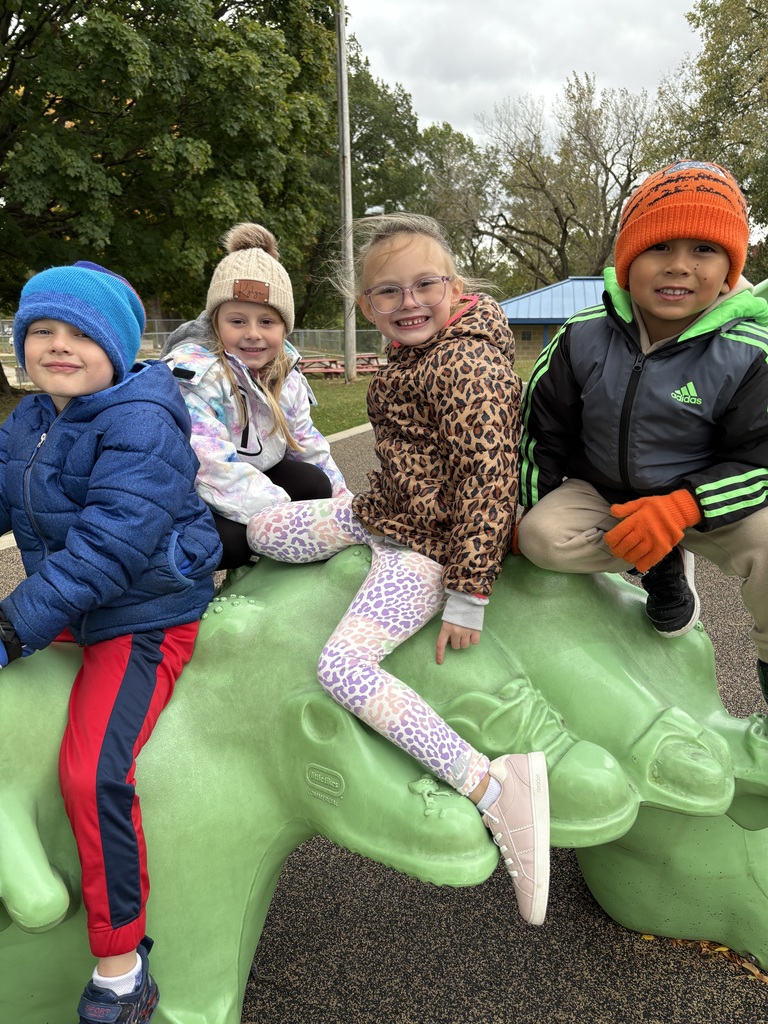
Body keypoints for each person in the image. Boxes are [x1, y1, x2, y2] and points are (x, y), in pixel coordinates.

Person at [247, 213, 550, 925]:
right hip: (386, 513)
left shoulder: (465, 363)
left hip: (430, 546)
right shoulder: (415, 352)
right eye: (388, 292)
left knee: (344, 669)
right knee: (264, 527)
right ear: (365, 306)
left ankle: (490, 785)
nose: (408, 302)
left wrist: (469, 592)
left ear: (454, 284)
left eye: (425, 285)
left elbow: (488, 478)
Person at [0, 262, 223, 1022]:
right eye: (42, 332)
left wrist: (11, 625)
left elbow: (109, 546)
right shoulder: (31, 419)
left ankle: (123, 968)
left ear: (118, 349)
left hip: (143, 611)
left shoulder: (139, 421)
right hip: (73, 603)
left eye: (80, 334)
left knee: (92, 770)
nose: (58, 347)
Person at [516, 160, 768, 700]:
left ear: (730, 265)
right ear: (628, 259)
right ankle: (657, 562)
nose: (679, 266)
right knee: (537, 537)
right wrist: (517, 517)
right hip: (602, 490)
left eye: (703, 249)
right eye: (659, 247)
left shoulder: (751, 351)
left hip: (699, 501)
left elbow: (761, 461)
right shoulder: (579, 336)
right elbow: (542, 436)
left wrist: (680, 509)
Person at [162, 223, 349, 570]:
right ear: (215, 322)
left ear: (284, 327)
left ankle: (279, 557)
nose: (252, 334)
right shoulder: (195, 376)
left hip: (256, 476)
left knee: (313, 482)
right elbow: (210, 466)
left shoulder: (284, 372)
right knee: (230, 542)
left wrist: (345, 510)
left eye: (266, 322)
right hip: (196, 489)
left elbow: (307, 441)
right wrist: (290, 522)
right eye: (237, 321)